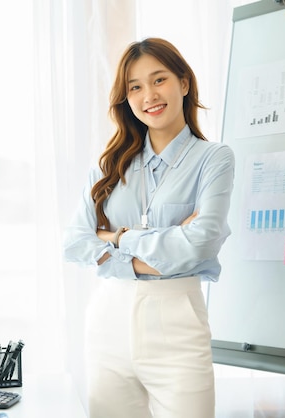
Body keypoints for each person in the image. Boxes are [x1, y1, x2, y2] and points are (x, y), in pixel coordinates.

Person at [63, 37, 235, 418]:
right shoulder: (109, 166)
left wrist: (116, 237)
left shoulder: (214, 159)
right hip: (109, 322)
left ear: (183, 83)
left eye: (159, 80)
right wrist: (157, 248)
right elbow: (74, 243)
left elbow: (198, 245)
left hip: (178, 324)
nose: (149, 96)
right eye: (135, 87)